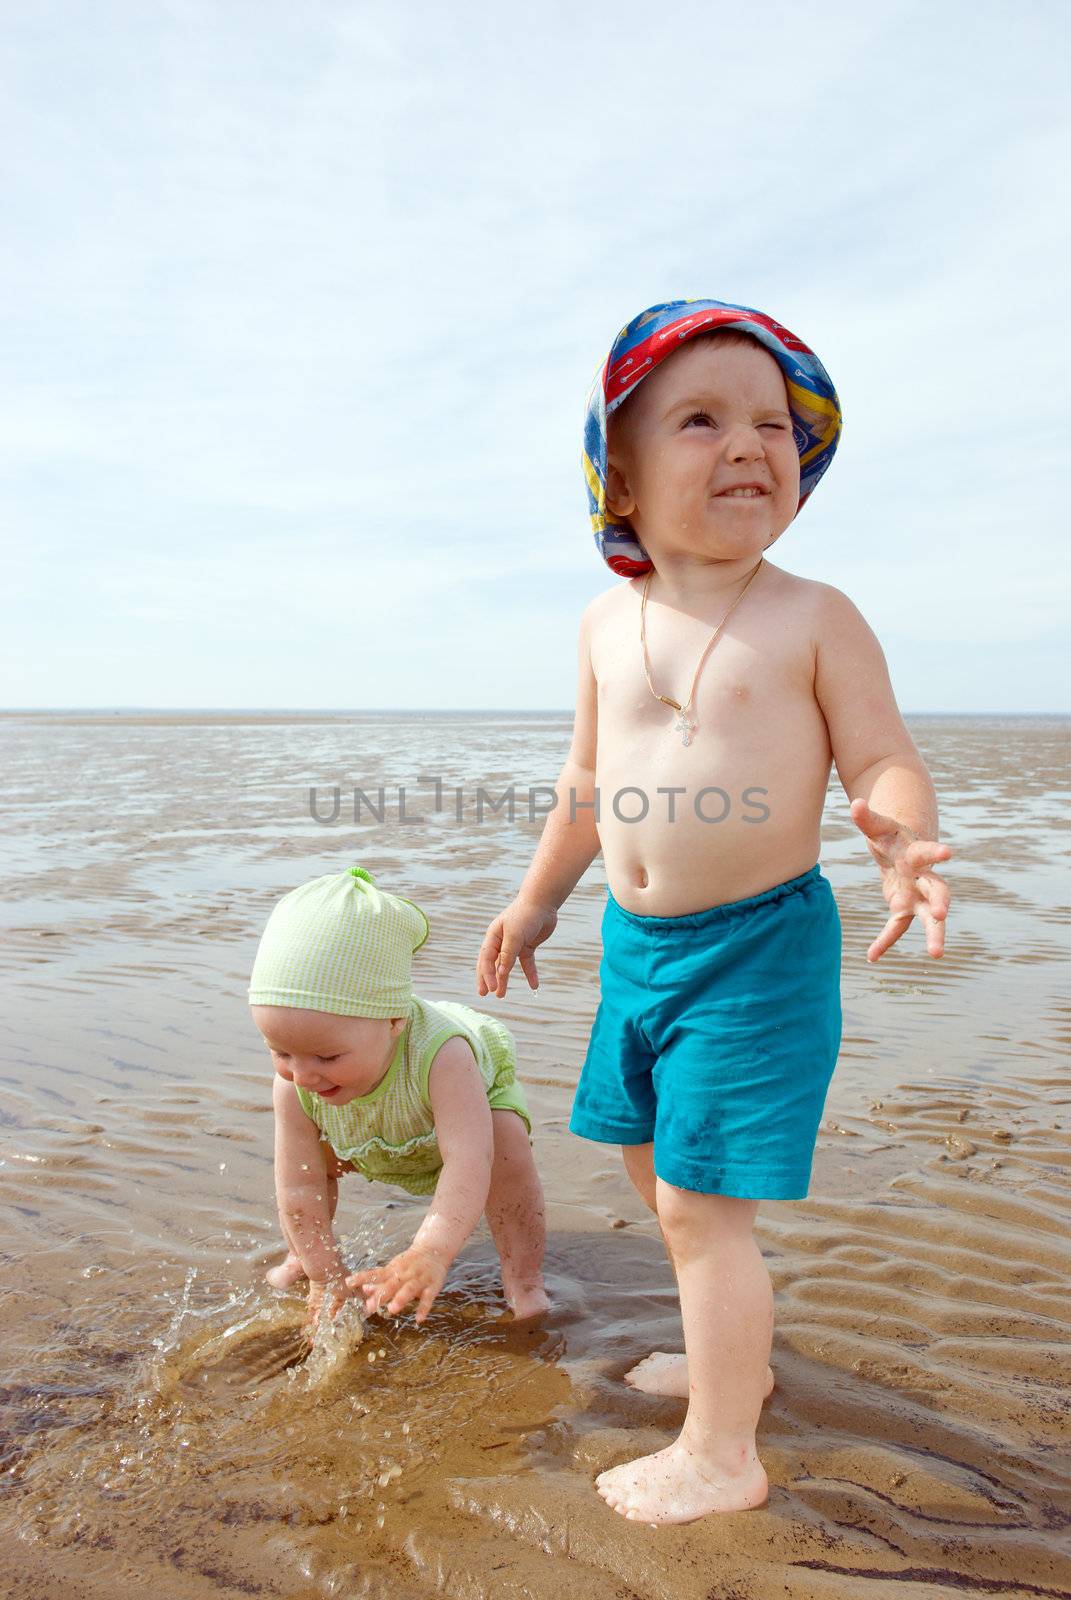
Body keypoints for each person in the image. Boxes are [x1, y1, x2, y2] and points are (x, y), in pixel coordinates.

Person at [475, 297, 951, 1525]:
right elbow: (587, 785)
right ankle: (727, 1338)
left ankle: (723, 1451)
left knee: (698, 1201)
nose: (750, 442)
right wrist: (536, 903)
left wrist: (902, 838)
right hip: (640, 951)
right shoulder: (601, 623)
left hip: (756, 947)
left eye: (773, 424)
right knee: (649, 1160)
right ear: (619, 484)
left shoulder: (813, 614)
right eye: (701, 419)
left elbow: (882, 755)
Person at [249, 864, 548, 1331]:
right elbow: (297, 1186)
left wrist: (430, 1250)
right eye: (280, 1051)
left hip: (458, 1122)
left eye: (326, 1055)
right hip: (367, 1136)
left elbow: (469, 1163)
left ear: (394, 1022)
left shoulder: (445, 1056)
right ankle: (305, 1258)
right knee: (313, 1167)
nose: (303, 1074)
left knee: (505, 1147)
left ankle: (524, 1278)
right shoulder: (296, 1084)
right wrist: (324, 1277)